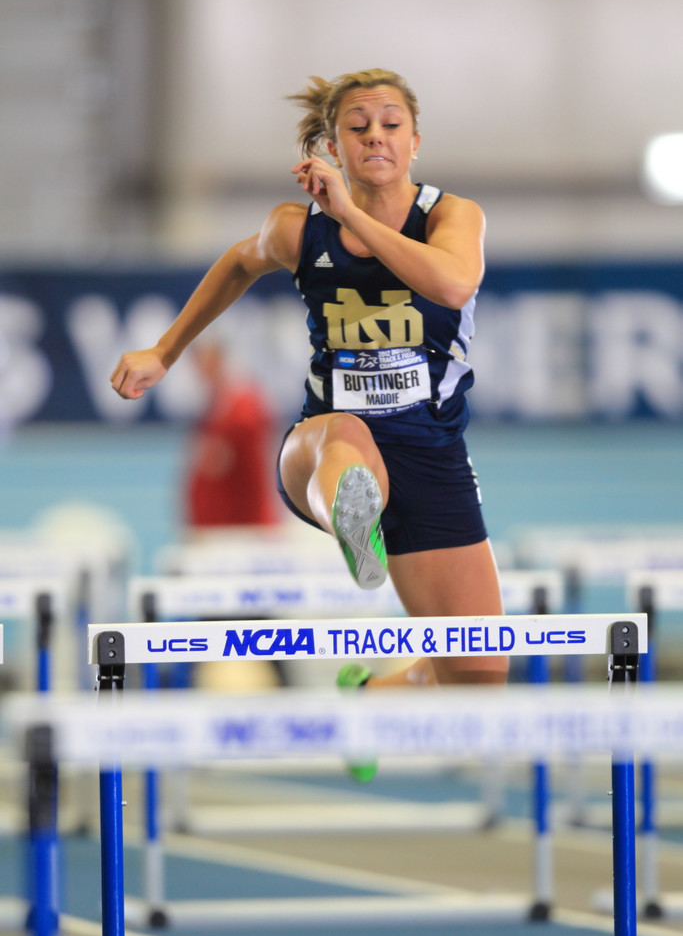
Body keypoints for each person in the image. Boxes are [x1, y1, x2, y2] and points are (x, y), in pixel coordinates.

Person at [110, 68, 508, 706]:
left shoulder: (451, 217)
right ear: (333, 144)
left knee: (479, 684)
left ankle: (369, 694)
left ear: (415, 142)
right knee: (348, 439)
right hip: (324, 444)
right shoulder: (301, 230)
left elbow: (453, 285)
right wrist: (165, 350)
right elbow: (239, 262)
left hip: (431, 453)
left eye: (390, 125)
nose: (375, 137)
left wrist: (350, 211)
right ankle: (355, 520)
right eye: (357, 128)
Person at [183, 339, 279, 529]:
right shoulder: (215, 408)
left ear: (218, 360)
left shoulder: (242, 408)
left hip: (242, 530)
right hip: (220, 528)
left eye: (204, 361)